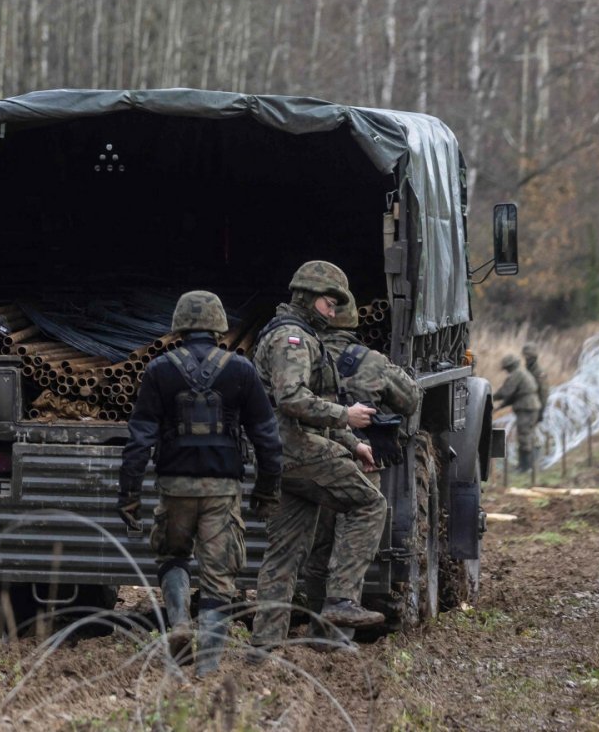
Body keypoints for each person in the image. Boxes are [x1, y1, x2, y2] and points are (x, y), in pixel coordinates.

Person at [118, 290, 282, 676]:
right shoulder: (241, 371)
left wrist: (128, 495)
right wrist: (267, 489)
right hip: (221, 491)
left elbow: (139, 437)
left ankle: (178, 622)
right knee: (218, 577)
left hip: (174, 487)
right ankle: (206, 668)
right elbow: (267, 436)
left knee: (172, 557)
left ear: (179, 325)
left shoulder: (159, 370)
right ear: (218, 324)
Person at [251, 261, 389, 653]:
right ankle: (341, 600)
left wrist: (351, 442)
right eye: (330, 304)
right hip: (298, 452)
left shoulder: (297, 334)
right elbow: (292, 399)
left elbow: (314, 403)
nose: (334, 312)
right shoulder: (292, 339)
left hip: (283, 456)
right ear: (309, 299)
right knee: (369, 504)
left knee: (285, 555)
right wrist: (345, 417)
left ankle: (265, 647)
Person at [299, 297, 423, 649]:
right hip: (362, 460)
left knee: (318, 546)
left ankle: (318, 628)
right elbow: (411, 400)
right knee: (353, 544)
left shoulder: (303, 355)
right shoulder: (371, 360)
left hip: (316, 461)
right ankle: (341, 630)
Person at [497, 353, 541, 473]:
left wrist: (490, 395)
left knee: (524, 435)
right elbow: (514, 395)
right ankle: (531, 465)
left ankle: (525, 467)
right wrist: (500, 406)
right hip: (530, 406)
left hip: (526, 408)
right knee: (529, 435)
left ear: (510, 366)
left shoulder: (516, 374)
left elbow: (507, 391)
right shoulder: (521, 373)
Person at [522, 343, 551, 415]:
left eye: (528, 356)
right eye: (525, 356)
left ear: (533, 357)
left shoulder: (539, 373)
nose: (526, 358)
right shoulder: (527, 371)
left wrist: (540, 412)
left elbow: (544, 393)